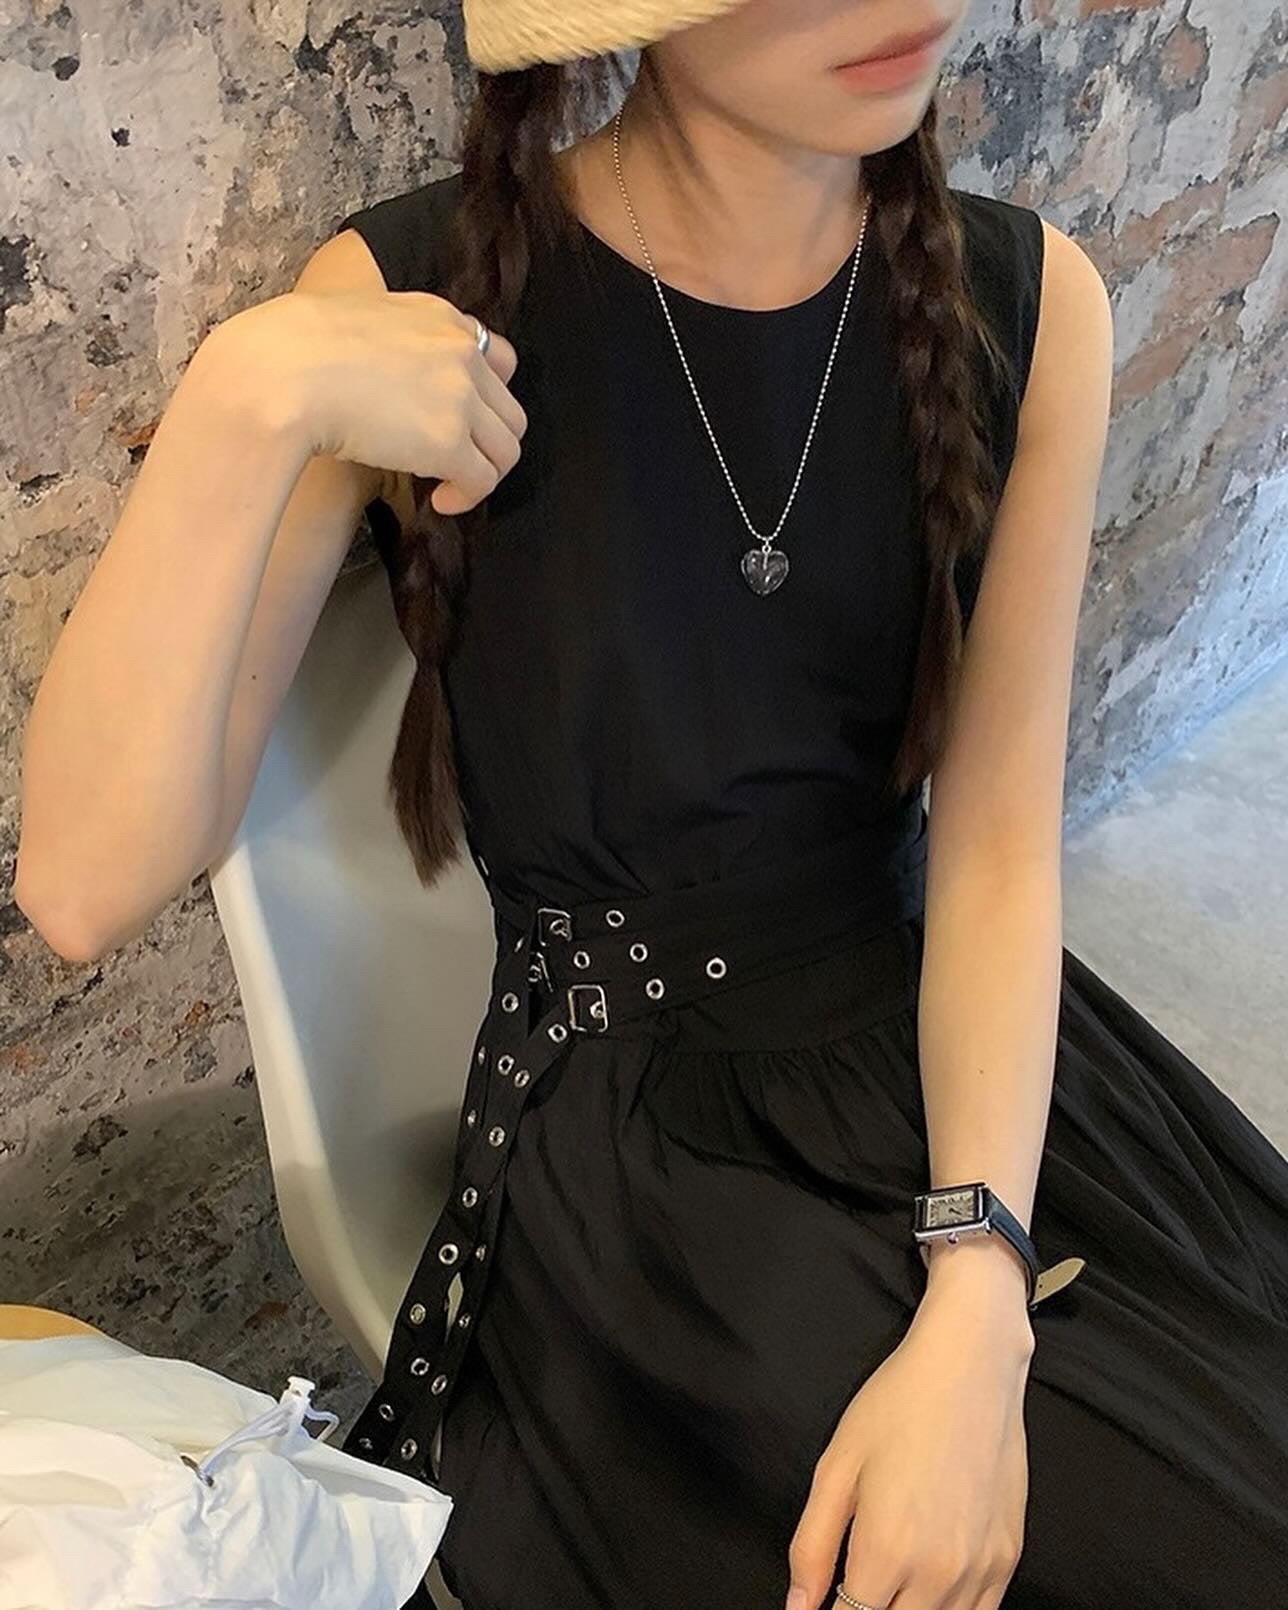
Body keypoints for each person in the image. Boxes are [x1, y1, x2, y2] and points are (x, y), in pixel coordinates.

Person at [15, 1, 1288, 1607]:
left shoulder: (1032, 300)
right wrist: (245, 394)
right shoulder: (419, 298)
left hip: (961, 1063)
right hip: (644, 1159)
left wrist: (980, 1283)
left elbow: (994, 855)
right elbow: (83, 882)